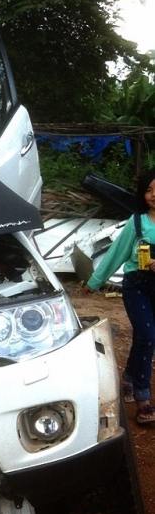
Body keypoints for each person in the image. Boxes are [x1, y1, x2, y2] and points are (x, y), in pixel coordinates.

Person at [86, 168, 155, 425]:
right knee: (148, 337)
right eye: (148, 190)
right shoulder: (137, 222)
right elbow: (116, 253)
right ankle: (143, 397)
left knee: (144, 337)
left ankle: (127, 378)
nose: (153, 195)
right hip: (136, 286)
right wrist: (94, 282)